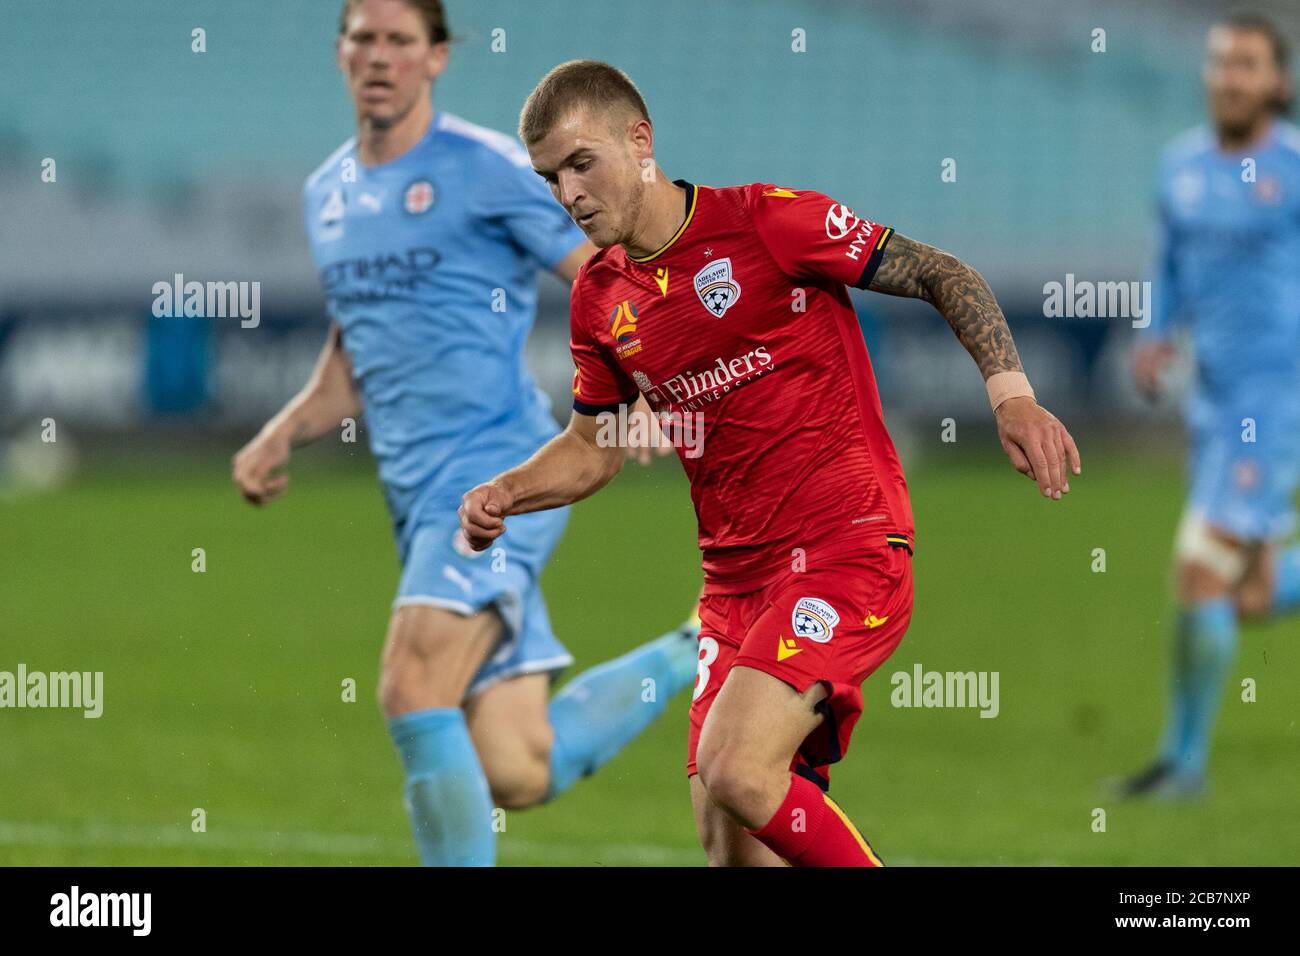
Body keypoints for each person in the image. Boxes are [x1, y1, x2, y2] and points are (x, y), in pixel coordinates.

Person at [461, 59, 1081, 866]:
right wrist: (509, 490)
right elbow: (592, 445)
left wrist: (1012, 395)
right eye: (550, 177)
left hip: (846, 549)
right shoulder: (599, 301)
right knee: (735, 852)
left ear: (640, 140)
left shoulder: (766, 223)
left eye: (583, 163)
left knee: (734, 768)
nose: (569, 194)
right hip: (732, 591)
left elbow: (937, 270)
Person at [232, 2, 698, 866]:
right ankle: (695, 652)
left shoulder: (485, 168)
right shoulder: (326, 191)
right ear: (340, 52)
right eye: (362, 37)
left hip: (497, 477)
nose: (379, 56)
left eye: (399, 40)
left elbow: (613, 270)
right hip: (416, 503)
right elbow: (351, 359)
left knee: (412, 687)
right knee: (517, 767)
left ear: (436, 57)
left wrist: (641, 387)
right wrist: (281, 433)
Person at [1124, 14, 1300, 798]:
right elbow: (1167, 260)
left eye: (1248, 64)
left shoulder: (1294, 166)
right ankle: (1180, 762)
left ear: (1278, 82)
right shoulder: (1180, 166)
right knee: (1247, 593)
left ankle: (1183, 767)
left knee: (1200, 571)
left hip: (1276, 400)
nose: (1230, 76)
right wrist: (1156, 332)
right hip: (1211, 401)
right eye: (1221, 62)